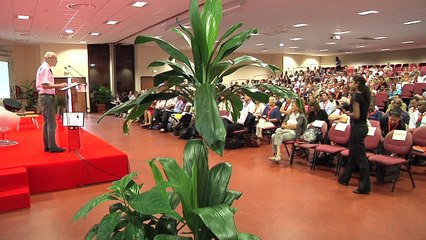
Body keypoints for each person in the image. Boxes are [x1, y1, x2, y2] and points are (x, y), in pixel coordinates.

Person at [338, 75, 371, 194]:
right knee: (352, 154)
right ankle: (344, 178)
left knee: (361, 158)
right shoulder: (365, 95)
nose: (349, 84)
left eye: (351, 82)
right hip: (363, 126)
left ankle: (364, 186)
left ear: (357, 83)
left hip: (357, 127)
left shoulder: (356, 96)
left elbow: (356, 115)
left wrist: (347, 112)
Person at [36, 52, 68, 153]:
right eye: (55, 59)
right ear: (50, 58)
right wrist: (59, 85)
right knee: (51, 123)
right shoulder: (46, 69)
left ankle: (47, 146)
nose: (56, 61)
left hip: (44, 97)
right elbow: (45, 85)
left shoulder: (42, 67)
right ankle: (53, 147)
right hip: (47, 97)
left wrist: (55, 89)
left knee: (46, 123)